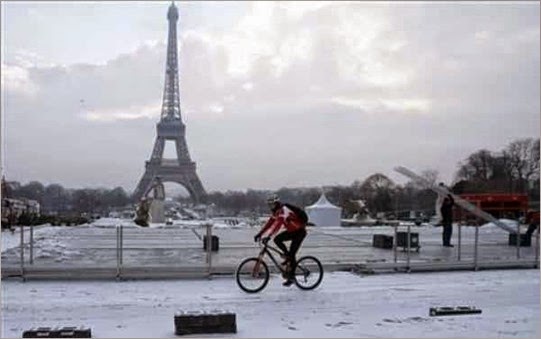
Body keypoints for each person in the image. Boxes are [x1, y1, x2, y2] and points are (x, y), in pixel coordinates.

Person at [254, 195, 307, 286]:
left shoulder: (283, 209)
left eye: (272, 204)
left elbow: (278, 224)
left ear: (276, 203)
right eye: (269, 205)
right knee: (277, 239)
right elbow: (270, 224)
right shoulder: (276, 212)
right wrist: (260, 234)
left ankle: (291, 277)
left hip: (300, 232)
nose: (270, 206)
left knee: (292, 254)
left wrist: (269, 236)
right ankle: (287, 256)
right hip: (292, 231)